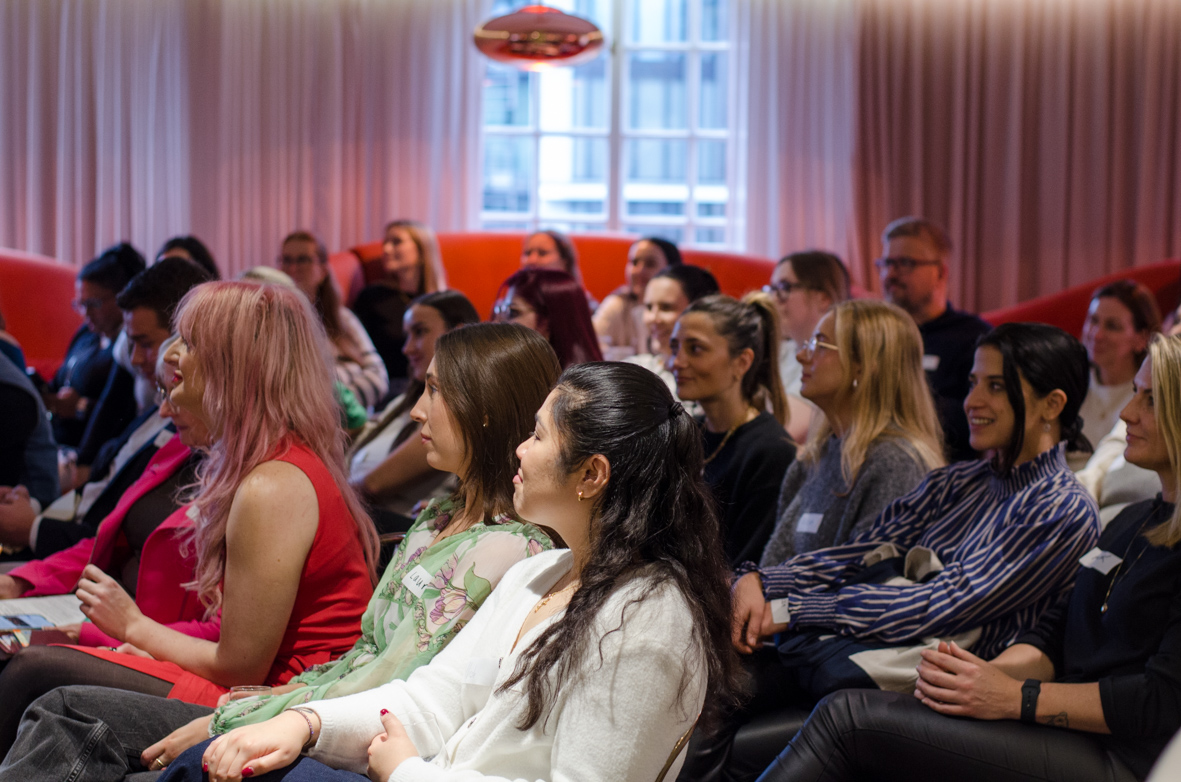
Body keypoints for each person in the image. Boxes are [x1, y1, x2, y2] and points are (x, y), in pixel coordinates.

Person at [0, 323, 562, 779]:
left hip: (340, 726)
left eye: (435, 392)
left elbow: (393, 685)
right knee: (54, 699)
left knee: (56, 700)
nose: (416, 409)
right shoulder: (439, 517)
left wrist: (231, 712)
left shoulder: (506, 547)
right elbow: (360, 657)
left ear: (483, 409)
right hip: (303, 698)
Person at [145, 361, 740, 782]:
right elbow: (435, 697)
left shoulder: (648, 619)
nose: (520, 450)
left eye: (537, 436)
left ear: (592, 475)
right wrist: (303, 722)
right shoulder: (548, 571)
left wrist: (406, 771)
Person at [756, 333, 1181, 782]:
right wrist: (983, 679)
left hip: (1125, 756)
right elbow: (1055, 629)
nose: (1127, 413)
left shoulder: (1066, 507)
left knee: (848, 717)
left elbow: (1161, 699)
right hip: (1054, 718)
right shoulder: (1133, 519)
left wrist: (1016, 697)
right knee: (743, 696)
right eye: (1135, 393)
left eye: (1151, 400)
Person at [0, 282, 380, 731]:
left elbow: (240, 667)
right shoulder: (268, 466)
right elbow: (228, 640)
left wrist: (134, 628)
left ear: (234, 366)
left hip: (279, 702)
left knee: (35, 672)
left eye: (190, 343)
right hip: (267, 689)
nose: (173, 355)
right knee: (32, 661)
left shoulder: (273, 485)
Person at [0, 257, 212, 558]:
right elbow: (95, 493)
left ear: (185, 339)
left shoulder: (194, 429)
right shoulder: (156, 408)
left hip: (75, 560)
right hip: (62, 544)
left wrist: (33, 528)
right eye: (130, 344)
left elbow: (119, 542)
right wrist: (31, 508)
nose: (135, 359)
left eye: (145, 343)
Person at [760, 300, 945, 566]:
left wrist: (765, 586)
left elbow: (863, 579)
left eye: (819, 345)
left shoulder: (895, 463)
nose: (802, 355)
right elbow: (774, 561)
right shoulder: (815, 459)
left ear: (865, 365)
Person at [670, 292, 796, 566]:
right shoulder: (688, 432)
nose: (676, 362)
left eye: (695, 349)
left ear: (742, 362)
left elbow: (745, 566)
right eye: (674, 347)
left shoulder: (770, 451)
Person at [351, 291, 480, 529]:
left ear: (457, 334)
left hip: (393, 532)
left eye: (419, 332)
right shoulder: (404, 399)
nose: (407, 348)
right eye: (406, 335)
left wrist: (324, 496)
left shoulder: (456, 410)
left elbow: (373, 486)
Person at [878, 216, 992, 462]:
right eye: (887, 263)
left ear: (941, 272)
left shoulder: (974, 337)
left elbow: (981, 418)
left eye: (905, 263)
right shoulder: (876, 334)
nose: (891, 274)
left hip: (944, 473)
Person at [48, 245, 145, 448]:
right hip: (56, 442)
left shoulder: (130, 346)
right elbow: (56, 382)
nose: (86, 313)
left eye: (93, 303)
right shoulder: (86, 334)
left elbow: (123, 413)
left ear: (121, 297)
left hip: (89, 450)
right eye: (80, 304)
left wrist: (80, 408)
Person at [279, 230, 389, 409]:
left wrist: (343, 407)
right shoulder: (278, 324)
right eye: (286, 260)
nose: (292, 268)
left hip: (356, 420)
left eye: (303, 260)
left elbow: (379, 375)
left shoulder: (343, 318)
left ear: (323, 270)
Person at [1073, 279, 1161, 470]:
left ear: (1141, 339)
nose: (1096, 335)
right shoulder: (1068, 382)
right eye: (1093, 320)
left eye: (1112, 326)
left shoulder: (1151, 396)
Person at [352, 220, 447, 396]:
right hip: (389, 387)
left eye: (396, 242)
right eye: (385, 243)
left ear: (421, 249)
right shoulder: (372, 297)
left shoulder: (444, 301)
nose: (386, 249)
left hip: (436, 385)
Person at [765, 250, 851, 443]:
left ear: (823, 298)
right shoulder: (782, 351)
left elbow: (780, 433)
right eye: (771, 289)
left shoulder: (832, 361)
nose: (772, 299)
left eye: (784, 287)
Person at [626, 263, 720, 397]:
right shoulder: (636, 370)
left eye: (666, 308)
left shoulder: (715, 381)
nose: (652, 318)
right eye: (648, 307)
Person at [492, 267, 604, 368]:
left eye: (513, 312)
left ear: (549, 321)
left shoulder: (571, 385)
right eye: (502, 310)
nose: (498, 322)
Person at [593, 236, 681, 360]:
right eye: (634, 262)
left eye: (650, 264)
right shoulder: (617, 303)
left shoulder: (682, 310)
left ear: (671, 269)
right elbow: (590, 346)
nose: (639, 271)